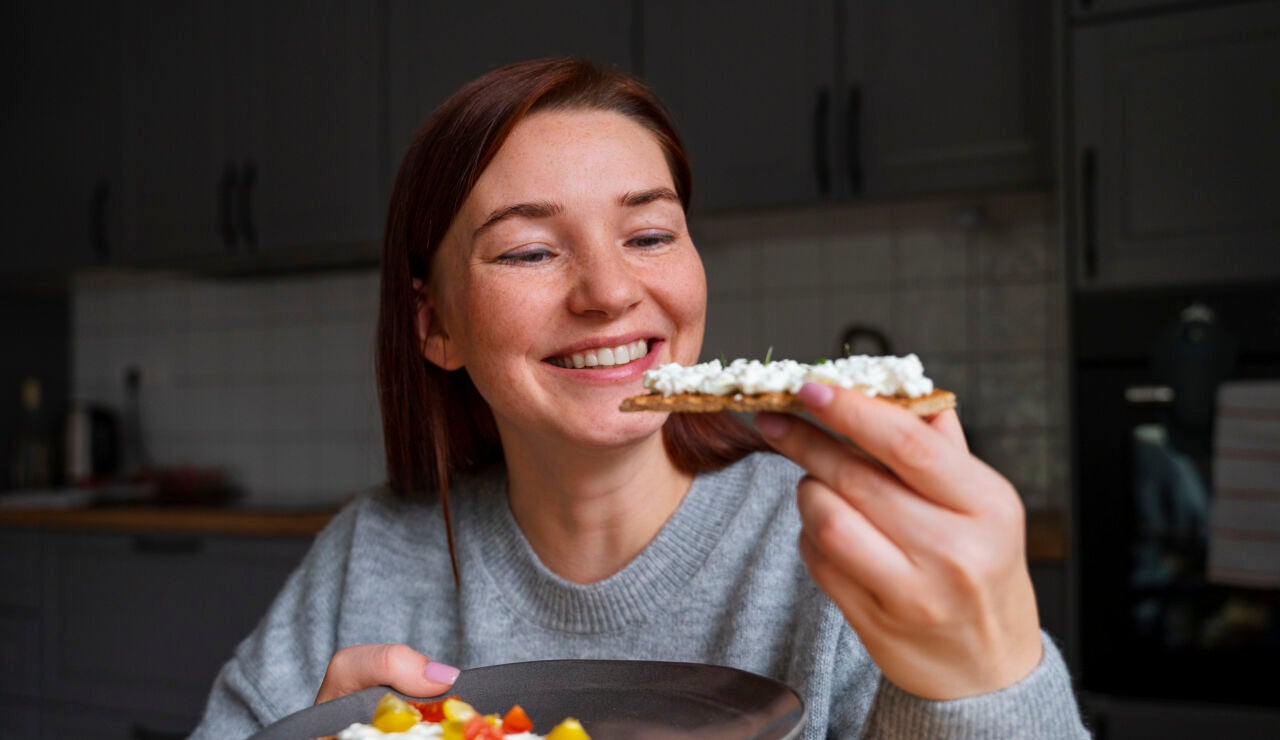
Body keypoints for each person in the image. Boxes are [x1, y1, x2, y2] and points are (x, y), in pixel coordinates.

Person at [190, 57, 1090, 739]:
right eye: (531, 251)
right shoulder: (371, 553)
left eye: (650, 234)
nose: (609, 292)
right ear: (436, 327)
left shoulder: (842, 542)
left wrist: (991, 682)